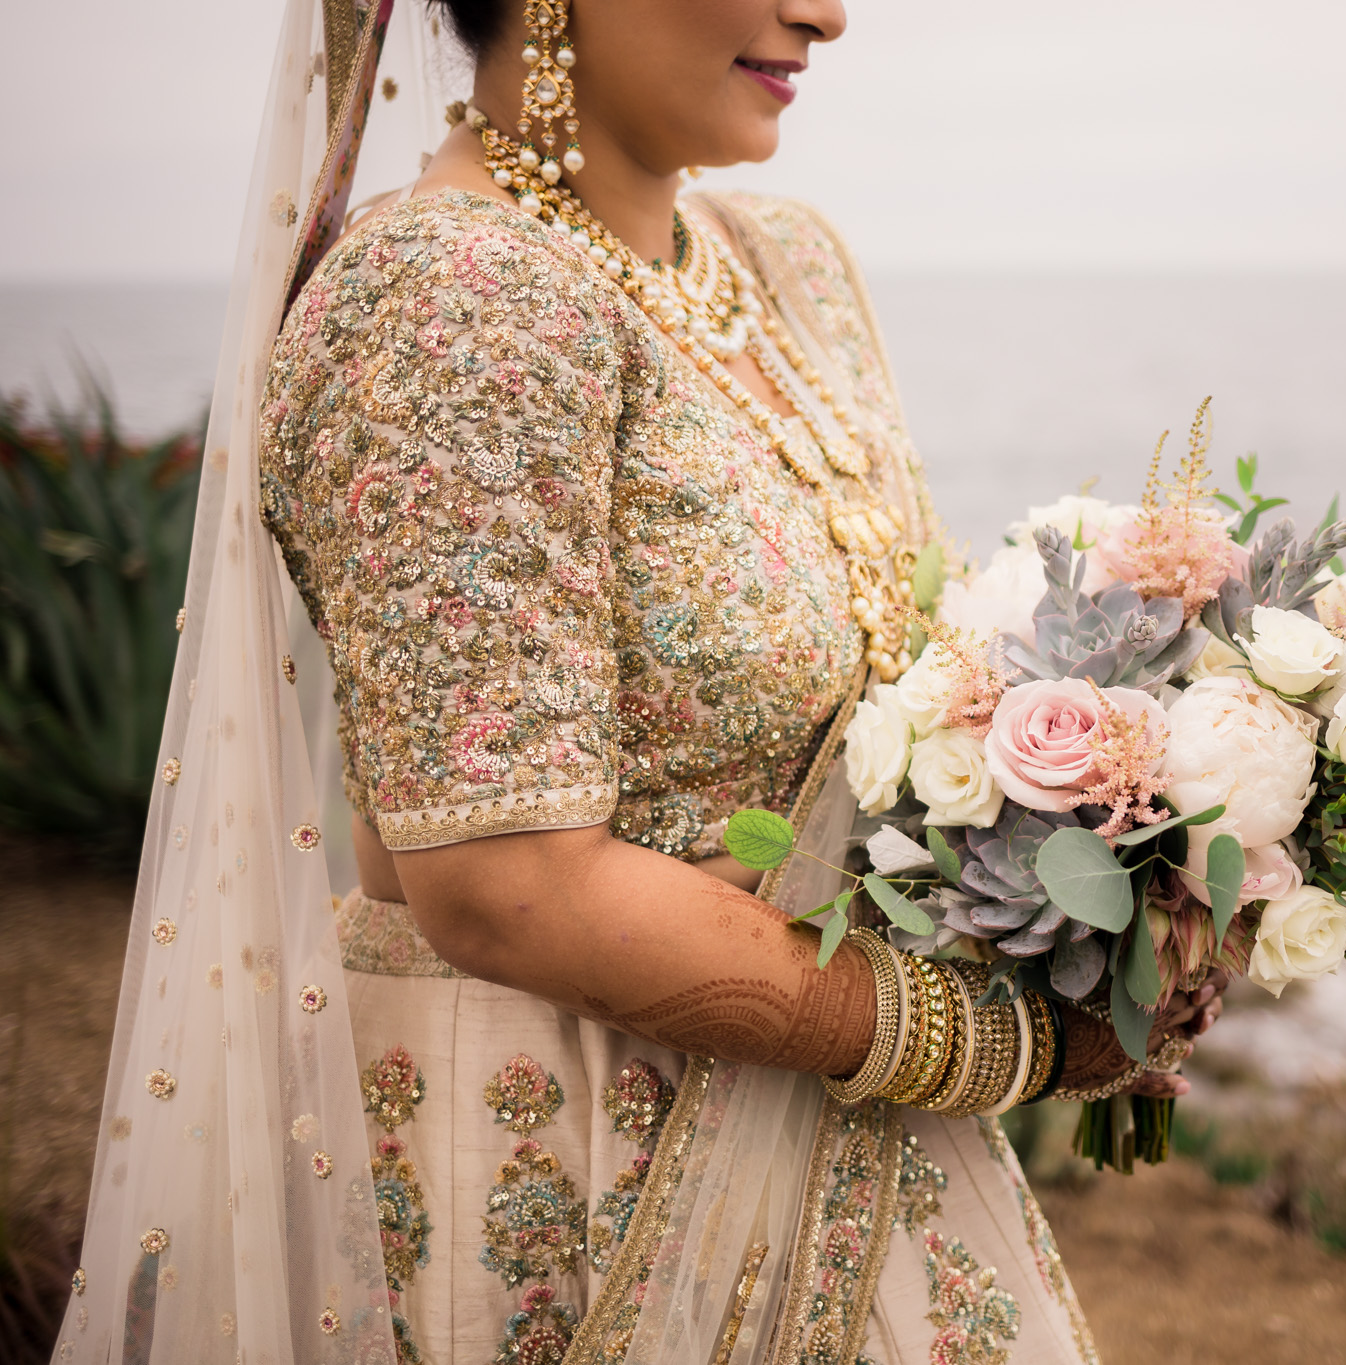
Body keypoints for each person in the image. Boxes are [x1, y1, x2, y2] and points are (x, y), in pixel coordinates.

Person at [59, 1, 1220, 1361]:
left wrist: (1115, 869)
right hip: (574, 1164)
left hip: (848, 1145)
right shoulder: (451, 302)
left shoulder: (790, 265)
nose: (828, 15)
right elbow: (509, 888)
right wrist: (1003, 1037)